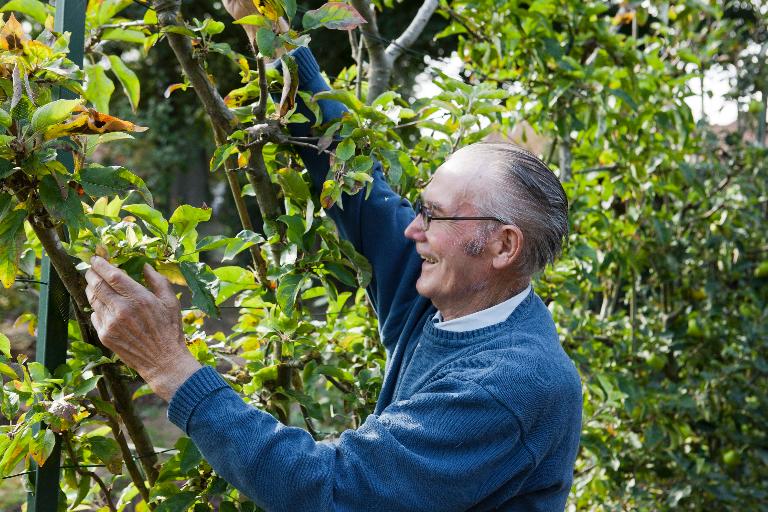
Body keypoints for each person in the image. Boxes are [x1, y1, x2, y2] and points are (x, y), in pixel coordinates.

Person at [85, 46, 582, 511]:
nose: (412, 229)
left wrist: (169, 366)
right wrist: (272, 29)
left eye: (434, 215)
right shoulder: (454, 294)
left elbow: (331, 489)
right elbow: (351, 179)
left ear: (503, 246)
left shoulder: (512, 386)